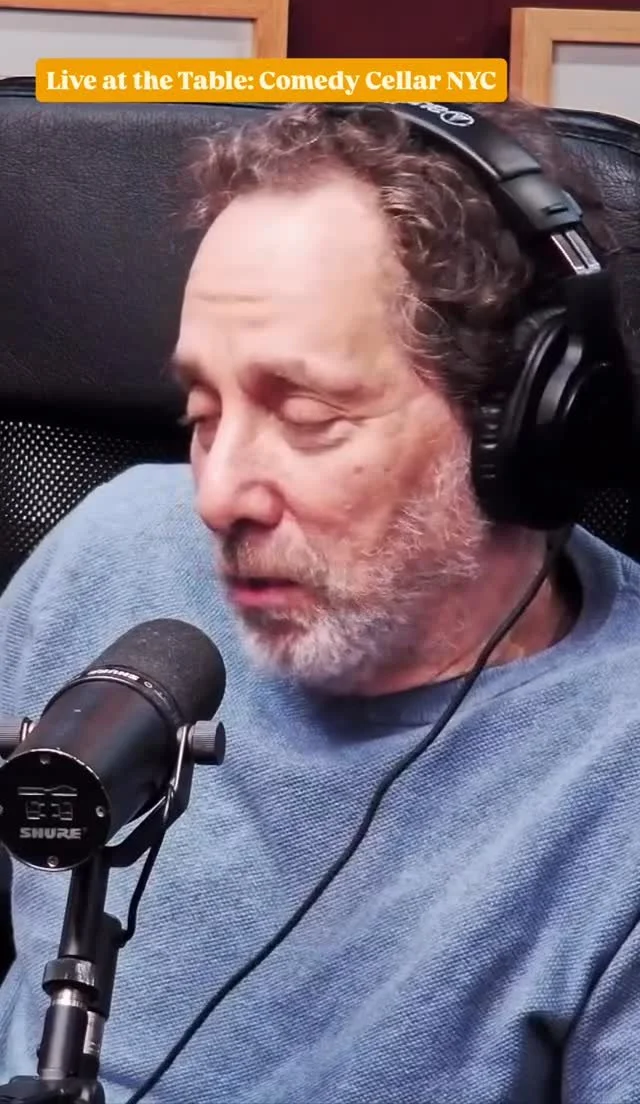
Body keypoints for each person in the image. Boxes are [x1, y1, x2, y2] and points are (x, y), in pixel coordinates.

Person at [0, 98, 639, 1104]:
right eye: (201, 412)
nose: (215, 495)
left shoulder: (617, 781)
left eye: (304, 415)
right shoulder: (112, 546)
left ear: (516, 429)